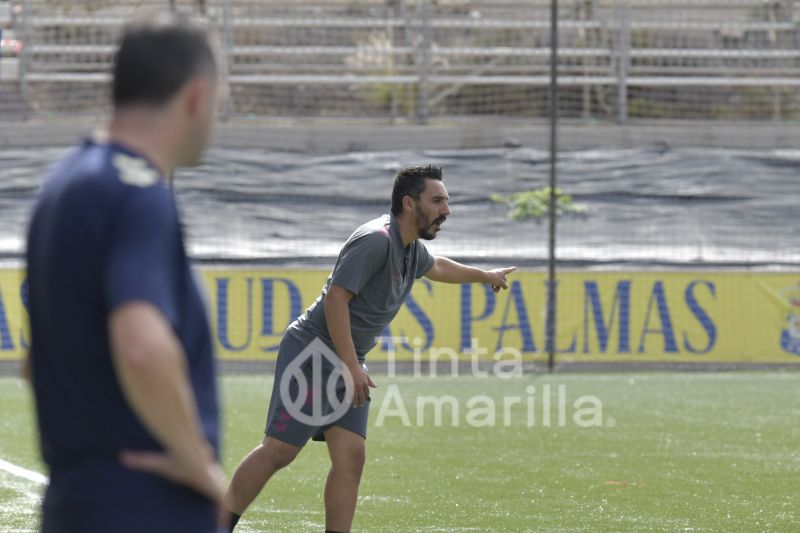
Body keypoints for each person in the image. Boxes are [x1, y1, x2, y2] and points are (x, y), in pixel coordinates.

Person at [224, 164, 516, 532]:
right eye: (438, 200)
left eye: (448, 200)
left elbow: (438, 267)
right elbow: (335, 299)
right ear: (410, 204)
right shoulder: (376, 239)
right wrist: (351, 364)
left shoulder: (410, 248)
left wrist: (484, 275)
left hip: (347, 359)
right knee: (279, 451)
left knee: (351, 457)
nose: (447, 210)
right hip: (312, 354)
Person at [25, 12, 225, 533]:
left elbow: (35, 360)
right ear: (196, 96)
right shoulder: (137, 192)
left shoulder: (64, 183)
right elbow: (141, 344)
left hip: (77, 501)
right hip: (146, 505)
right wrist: (195, 461)